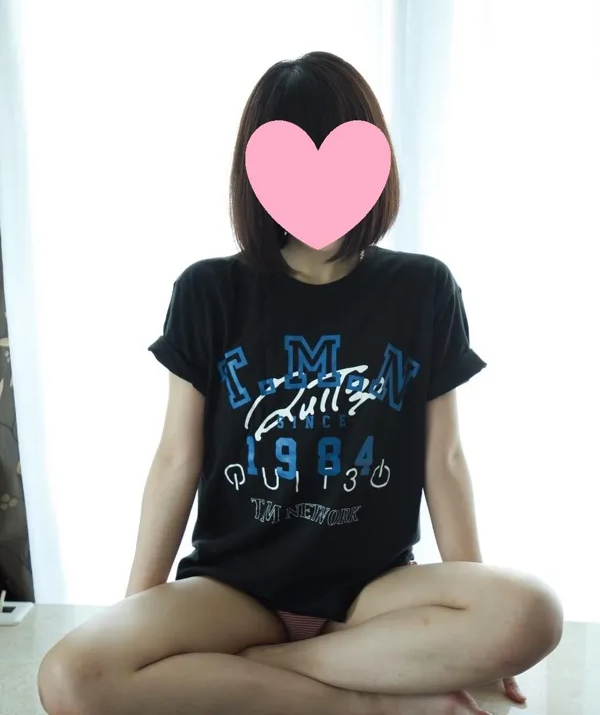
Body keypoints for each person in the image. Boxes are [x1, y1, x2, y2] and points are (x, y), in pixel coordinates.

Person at [37, 51, 563, 715]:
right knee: (70, 679)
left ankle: (271, 669)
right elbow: (175, 457)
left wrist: (477, 621)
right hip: (233, 592)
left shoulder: (422, 288)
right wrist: (138, 618)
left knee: (532, 613)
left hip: (372, 593)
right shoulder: (209, 291)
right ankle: (367, 703)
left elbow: (446, 459)